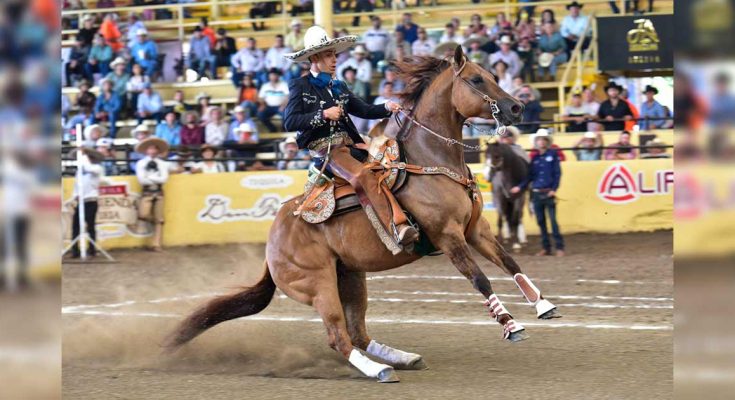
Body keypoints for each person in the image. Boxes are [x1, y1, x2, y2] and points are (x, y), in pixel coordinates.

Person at [283, 25, 417, 252]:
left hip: (350, 147)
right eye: (328, 54)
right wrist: (323, 114)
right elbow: (290, 121)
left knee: (393, 164)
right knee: (362, 175)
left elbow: (364, 110)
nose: (334, 59)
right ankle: (396, 227)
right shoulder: (300, 85)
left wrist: (387, 106)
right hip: (327, 151)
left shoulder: (339, 86)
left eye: (334, 54)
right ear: (314, 57)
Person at [511, 131, 565, 257]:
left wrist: (554, 189)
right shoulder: (534, 158)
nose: (541, 142)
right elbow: (530, 176)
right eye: (539, 139)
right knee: (541, 221)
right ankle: (546, 248)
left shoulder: (553, 155)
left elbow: (557, 174)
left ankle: (559, 247)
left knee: (553, 221)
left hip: (548, 193)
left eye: (543, 139)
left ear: (547, 142)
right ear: (537, 142)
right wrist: (520, 187)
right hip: (536, 193)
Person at [135, 137, 170, 251]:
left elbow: (164, 179)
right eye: (150, 148)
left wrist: (149, 177)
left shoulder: (163, 164)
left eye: (155, 149)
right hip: (147, 191)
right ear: (146, 150)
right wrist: (156, 178)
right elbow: (142, 180)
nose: (153, 151)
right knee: (143, 214)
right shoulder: (141, 163)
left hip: (158, 192)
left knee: (159, 218)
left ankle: (157, 244)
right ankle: (155, 226)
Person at [70, 146, 105, 258]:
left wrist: (83, 157)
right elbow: (76, 186)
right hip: (81, 201)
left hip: (91, 201)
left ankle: (92, 249)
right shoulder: (79, 172)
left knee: (90, 226)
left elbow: (89, 168)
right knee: (76, 226)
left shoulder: (96, 168)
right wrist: (75, 196)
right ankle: (75, 250)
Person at [257, 68, 290, 132]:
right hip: (268, 106)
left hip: (280, 106)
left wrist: (283, 105)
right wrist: (263, 104)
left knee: (287, 113)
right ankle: (272, 129)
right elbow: (260, 98)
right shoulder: (265, 86)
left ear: (278, 76)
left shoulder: (284, 84)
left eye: (275, 75)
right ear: (269, 76)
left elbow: (288, 97)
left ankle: (283, 129)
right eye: (271, 75)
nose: (273, 77)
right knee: (260, 114)